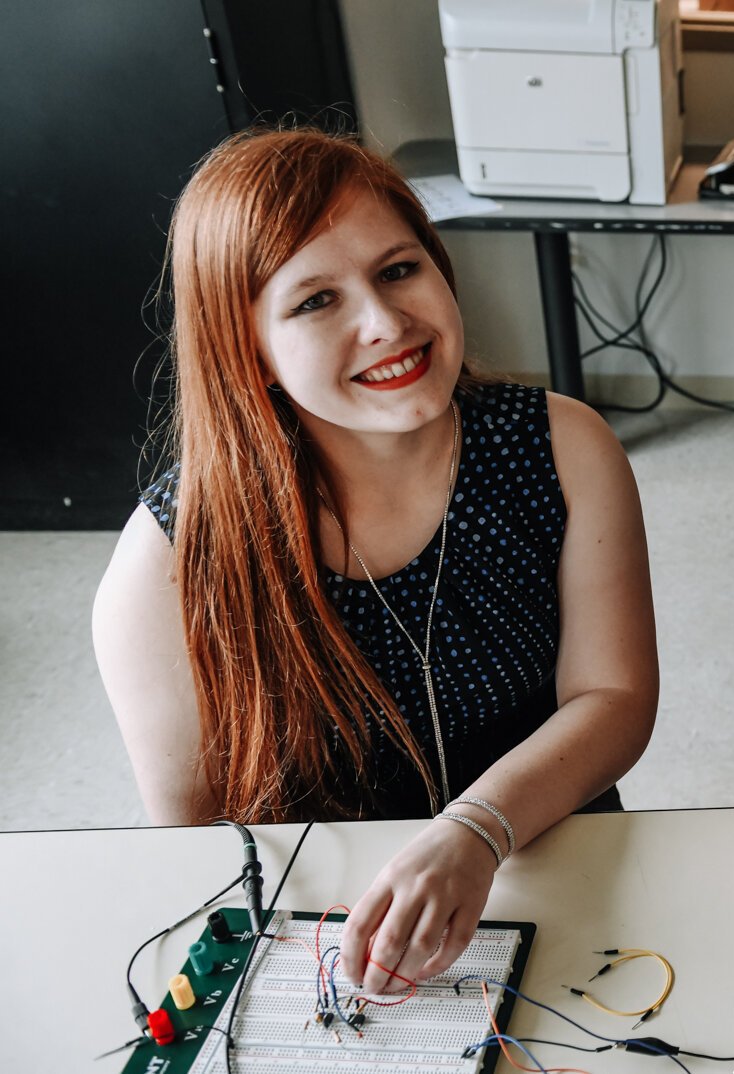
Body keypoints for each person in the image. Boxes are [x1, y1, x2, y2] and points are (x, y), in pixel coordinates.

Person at [93, 128, 658, 993]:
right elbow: (201, 846)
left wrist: (476, 830)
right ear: (248, 350)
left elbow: (614, 699)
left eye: (399, 270)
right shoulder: (169, 559)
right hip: (336, 938)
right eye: (316, 301)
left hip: (549, 854)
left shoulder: (566, 445)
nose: (386, 323)